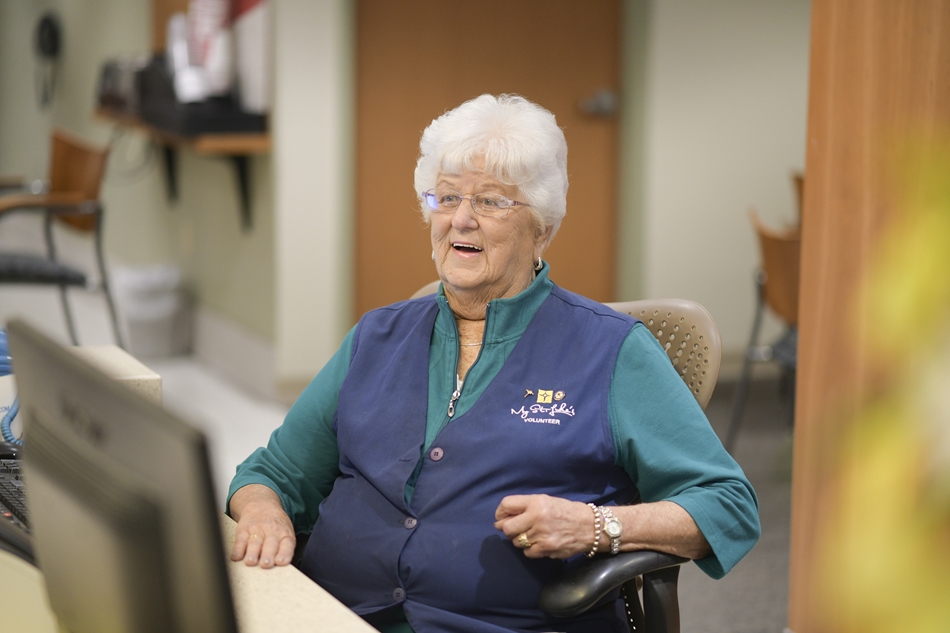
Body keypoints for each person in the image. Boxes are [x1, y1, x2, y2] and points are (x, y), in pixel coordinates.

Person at [227, 94, 760, 633]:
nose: (461, 219)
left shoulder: (612, 351)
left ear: (542, 229)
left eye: (491, 202)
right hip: (334, 615)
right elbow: (274, 473)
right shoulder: (377, 336)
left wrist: (598, 526)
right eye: (447, 197)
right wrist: (264, 512)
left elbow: (726, 505)